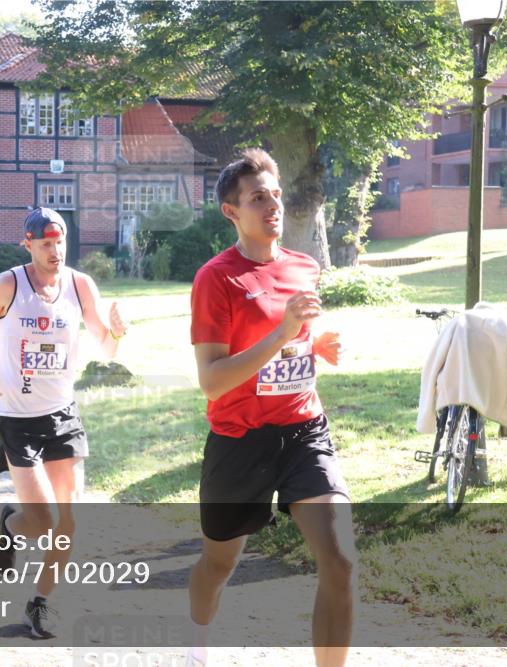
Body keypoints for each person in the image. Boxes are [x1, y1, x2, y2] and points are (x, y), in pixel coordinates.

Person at [186, 149, 355, 667]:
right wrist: (282, 333)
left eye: (275, 194)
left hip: (304, 430)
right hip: (239, 439)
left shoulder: (304, 267)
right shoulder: (216, 279)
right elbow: (212, 382)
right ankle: (196, 645)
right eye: (258, 197)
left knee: (341, 560)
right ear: (232, 211)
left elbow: (289, 346)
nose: (272, 204)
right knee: (219, 564)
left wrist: (311, 345)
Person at [0, 208, 127, 639]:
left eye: (60, 241)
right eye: (45, 243)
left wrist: (117, 333)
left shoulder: (80, 285)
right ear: (27, 244)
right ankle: (11, 523)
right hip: (16, 418)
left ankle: (40, 602)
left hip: (63, 416)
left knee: (68, 522)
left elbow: (105, 348)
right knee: (43, 521)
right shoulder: (8, 285)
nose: (55, 251)